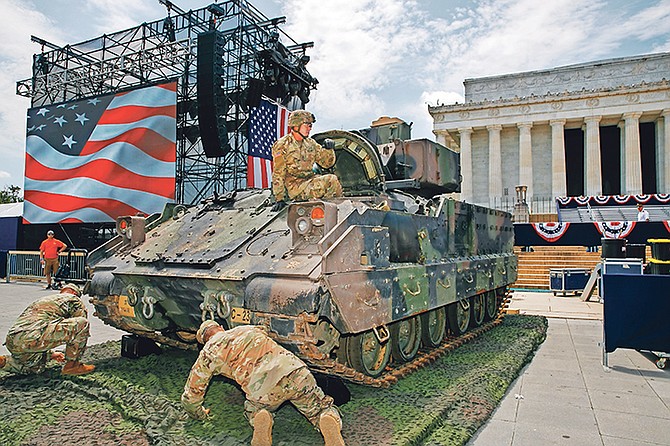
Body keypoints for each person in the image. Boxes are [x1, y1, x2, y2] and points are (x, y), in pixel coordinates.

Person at [181, 320, 345, 446]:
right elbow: (264, 330)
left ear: (204, 340)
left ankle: (261, 416)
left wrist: (199, 414)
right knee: (319, 407)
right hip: (297, 373)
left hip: (264, 390)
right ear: (221, 328)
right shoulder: (247, 329)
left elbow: (192, 393)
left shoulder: (208, 353)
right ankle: (326, 419)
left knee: (255, 408)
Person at [0, 283, 95, 376]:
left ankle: (3, 361)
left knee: (35, 368)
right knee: (82, 324)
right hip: (33, 337)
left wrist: (52, 355)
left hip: (13, 340)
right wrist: (72, 355)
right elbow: (79, 332)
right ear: (74, 293)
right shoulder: (74, 299)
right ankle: (72, 366)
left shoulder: (44, 300)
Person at [271, 110, 343, 211]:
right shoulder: (282, 145)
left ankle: (332, 209)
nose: (309, 129)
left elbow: (327, 163)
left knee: (332, 180)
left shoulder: (310, 143)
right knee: (331, 180)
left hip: (309, 181)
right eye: (307, 125)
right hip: (295, 188)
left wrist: (329, 149)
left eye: (310, 126)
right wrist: (279, 198)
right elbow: (278, 173)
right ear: (296, 125)